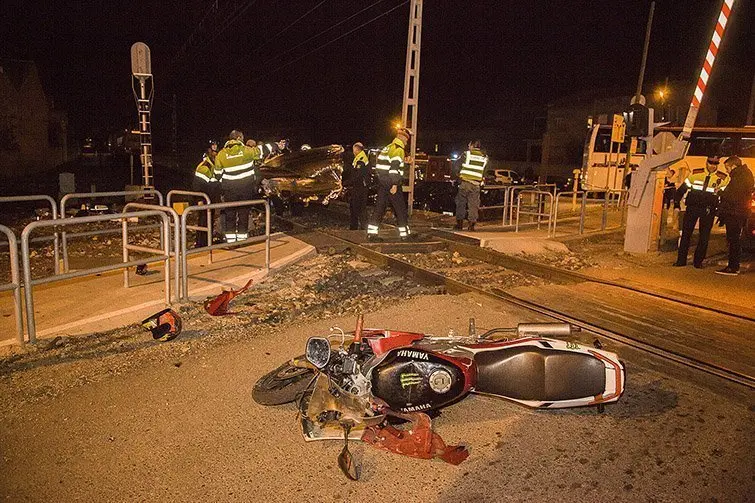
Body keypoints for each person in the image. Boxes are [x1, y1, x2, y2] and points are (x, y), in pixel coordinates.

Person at [215, 130, 284, 243]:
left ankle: (231, 242)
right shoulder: (246, 151)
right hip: (245, 188)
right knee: (244, 213)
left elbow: (217, 174)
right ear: (238, 138)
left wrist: (227, 181)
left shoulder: (221, 154)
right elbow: (262, 150)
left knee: (230, 214)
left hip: (229, 190)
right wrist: (276, 145)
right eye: (242, 138)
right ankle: (242, 240)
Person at [674, 155, 729, 268]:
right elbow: (682, 189)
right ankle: (681, 261)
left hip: (709, 209)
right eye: (710, 162)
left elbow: (725, 196)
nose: (712, 166)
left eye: (715, 163)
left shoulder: (723, 178)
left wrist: (720, 210)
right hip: (693, 207)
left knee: (704, 236)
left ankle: (698, 262)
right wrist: (676, 204)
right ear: (706, 162)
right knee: (686, 234)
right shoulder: (695, 174)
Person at [367, 128, 411, 241]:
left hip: (383, 182)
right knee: (400, 209)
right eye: (406, 140)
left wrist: (404, 162)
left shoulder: (388, 147)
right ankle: (405, 236)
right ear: (403, 138)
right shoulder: (398, 149)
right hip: (392, 183)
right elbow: (394, 169)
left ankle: (371, 234)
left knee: (379, 208)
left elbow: (383, 165)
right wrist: (395, 184)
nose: (406, 142)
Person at [715, 156, 754, 275]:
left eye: (727, 168)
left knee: (733, 240)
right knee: (734, 239)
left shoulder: (739, 177)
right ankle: (733, 265)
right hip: (739, 212)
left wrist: (720, 192)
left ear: (733, 166)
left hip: (735, 213)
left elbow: (733, 196)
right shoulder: (745, 174)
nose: (726, 170)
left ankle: (733, 267)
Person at [454, 140, 489, 231]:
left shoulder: (466, 154)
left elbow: (456, 165)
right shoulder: (484, 157)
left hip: (465, 183)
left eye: (469, 145)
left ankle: (459, 224)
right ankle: (471, 225)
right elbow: (485, 171)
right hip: (476, 184)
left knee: (461, 203)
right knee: (473, 205)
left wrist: (458, 176)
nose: (468, 147)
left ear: (473, 146)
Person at [192, 140, 220, 247]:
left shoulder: (214, 165)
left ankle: (207, 243)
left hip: (211, 199)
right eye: (214, 152)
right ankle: (201, 244)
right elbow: (197, 185)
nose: (216, 154)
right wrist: (199, 200)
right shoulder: (205, 166)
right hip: (204, 200)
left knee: (209, 221)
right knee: (203, 222)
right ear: (208, 151)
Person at [349, 142, 370, 230]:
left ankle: (356, 227)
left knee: (358, 206)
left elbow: (358, 175)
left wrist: (347, 182)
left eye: (354, 150)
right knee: (358, 206)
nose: (353, 152)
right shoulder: (360, 157)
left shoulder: (361, 159)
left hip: (360, 186)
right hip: (360, 186)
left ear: (357, 150)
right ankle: (360, 226)